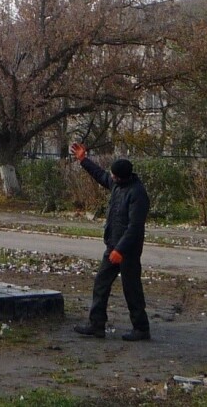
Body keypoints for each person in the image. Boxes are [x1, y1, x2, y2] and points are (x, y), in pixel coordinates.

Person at [69, 142, 151, 341]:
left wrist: (121, 250)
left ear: (122, 176)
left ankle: (141, 328)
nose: (111, 177)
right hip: (113, 245)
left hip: (127, 249)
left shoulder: (137, 193)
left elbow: (135, 227)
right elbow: (100, 175)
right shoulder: (117, 184)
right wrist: (83, 160)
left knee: (131, 289)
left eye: (114, 175)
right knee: (101, 284)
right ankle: (97, 325)